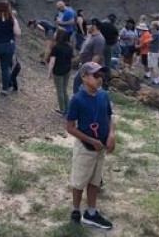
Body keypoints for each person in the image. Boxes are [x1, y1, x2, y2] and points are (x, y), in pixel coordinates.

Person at [66, 62, 115, 230]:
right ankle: (75, 210)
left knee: (95, 180)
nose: (99, 79)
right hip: (85, 149)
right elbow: (70, 127)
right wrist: (90, 140)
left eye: (101, 75)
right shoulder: (77, 100)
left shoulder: (103, 96)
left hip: (100, 149)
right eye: (95, 75)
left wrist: (111, 134)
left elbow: (109, 116)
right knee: (79, 181)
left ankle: (91, 213)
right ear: (84, 76)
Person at [73, 18, 106, 93]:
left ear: (94, 26)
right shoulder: (90, 36)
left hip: (91, 68)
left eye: (88, 25)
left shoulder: (99, 39)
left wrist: (90, 70)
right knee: (78, 83)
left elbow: (97, 56)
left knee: (79, 83)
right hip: (84, 65)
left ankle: (77, 101)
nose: (87, 27)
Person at [48, 29, 73, 115]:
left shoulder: (56, 47)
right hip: (67, 70)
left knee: (60, 90)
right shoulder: (69, 47)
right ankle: (68, 108)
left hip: (58, 71)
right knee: (64, 89)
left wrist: (49, 71)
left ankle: (62, 109)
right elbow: (71, 59)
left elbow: (52, 61)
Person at [148, 21, 159, 86]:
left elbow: (149, 41)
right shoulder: (158, 34)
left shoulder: (155, 34)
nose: (151, 26)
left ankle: (155, 81)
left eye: (152, 25)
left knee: (152, 67)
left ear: (155, 27)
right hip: (156, 51)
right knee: (156, 67)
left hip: (152, 51)